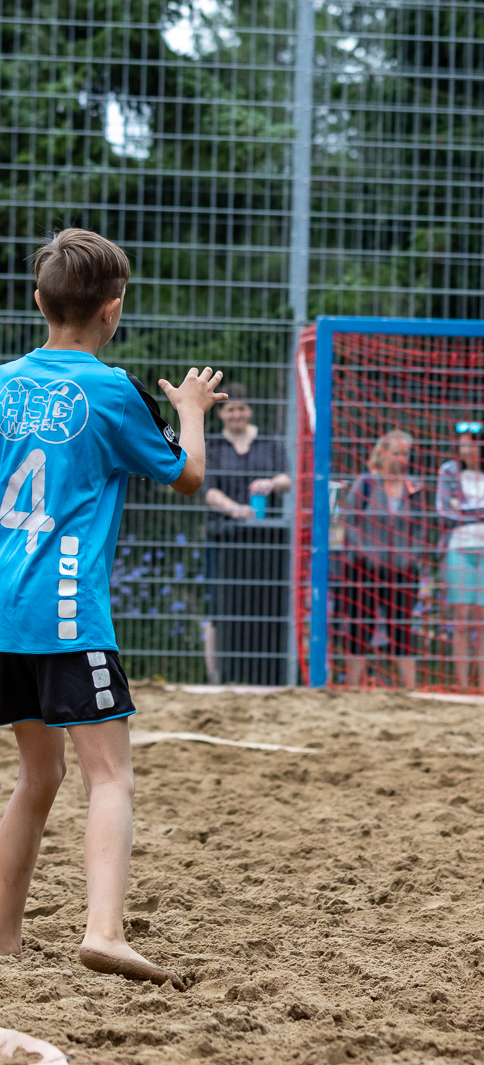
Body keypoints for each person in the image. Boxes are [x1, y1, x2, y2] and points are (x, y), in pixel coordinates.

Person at [0, 228, 224, 987]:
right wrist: (191, 406)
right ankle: (104, 929)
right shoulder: (110, 387)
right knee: (110, 776)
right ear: (113, 310)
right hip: (66, 612)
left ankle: (3, 936)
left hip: (4, 608)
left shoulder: (2, 381)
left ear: (38, 302)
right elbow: (187, 475)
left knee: (37, 774)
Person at [201, 382, 293, 684]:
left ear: (249, 410)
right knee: (219, 603)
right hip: (224, 535)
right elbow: (208, 491)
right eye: (230, 409)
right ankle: (216, 675)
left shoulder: (269, 441)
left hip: (266, 538)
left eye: (241, 408)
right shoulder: (211, 445)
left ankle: (267, 672)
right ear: (222, 413)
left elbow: (286, 478)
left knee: (266, 601)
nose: (236, 414)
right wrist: (235, 509)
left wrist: (271, 483)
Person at [342, 429, 427, 689]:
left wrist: (409, 556)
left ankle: (409, 692)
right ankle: (353, 688)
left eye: (405, 454)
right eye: (396, 452)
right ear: (383, 453)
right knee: (360, 628)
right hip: (364, 569)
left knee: (401, 629)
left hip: (402, 571)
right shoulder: (366, 483)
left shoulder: (414, 488)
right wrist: (365, 552)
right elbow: (349, 522)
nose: (401, 458)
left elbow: (421, 529)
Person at [436, 421, 484, 690]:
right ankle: (463, 686)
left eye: (469, 442)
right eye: (461, 442)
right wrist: (483, 510)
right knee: (461, 619)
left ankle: (483, 687)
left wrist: (465, 507)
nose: (464, 447)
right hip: (459, 549)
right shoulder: (448, 471)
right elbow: (444, 511)